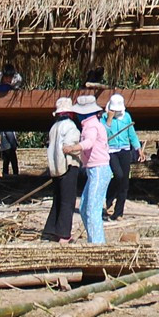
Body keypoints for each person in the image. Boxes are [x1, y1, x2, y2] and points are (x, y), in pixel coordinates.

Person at [63, 93, 110, 243]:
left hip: (98, 169)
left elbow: (88, 143)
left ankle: (97, 244)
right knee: (84, 208)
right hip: (93, 169)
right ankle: (94, 239)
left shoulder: (91, 126)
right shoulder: (91, 124)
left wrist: (72, 148)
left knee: (92, 210)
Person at [42, 97, 84, 242]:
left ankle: (50, 230)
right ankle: (63, 234)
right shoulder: (71, 127)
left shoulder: (54, 128)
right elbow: (69, 146)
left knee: (58, 199)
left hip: (55, 168)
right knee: (68, 201)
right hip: (68, 166)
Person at [104, 94, 139, 221]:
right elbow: (103, 134)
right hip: (111, 150)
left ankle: (118, 213)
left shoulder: (127, 117)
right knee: (117, 175)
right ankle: (108, 200)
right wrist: (109, 119)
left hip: (124, 149)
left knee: (124, 182)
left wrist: (138, 148)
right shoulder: (104, 117)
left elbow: (132, 133)